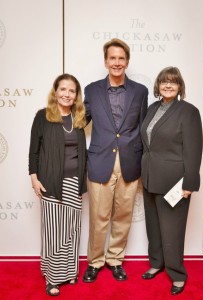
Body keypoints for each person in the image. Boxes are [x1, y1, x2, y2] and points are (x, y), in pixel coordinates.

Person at [82, 38, 148, 282]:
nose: (117, 62)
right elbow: (81, 121)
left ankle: (115, 259)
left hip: (130, 162)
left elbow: (143, 127)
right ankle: (95, 262)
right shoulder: (91, 90)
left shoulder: (140, 92)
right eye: (112, 58)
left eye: (121, 58)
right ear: (105, 61)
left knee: (123, 216)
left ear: (127, 62)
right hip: (100, 161)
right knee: (98, 217)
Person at [140, 67, 203, 295]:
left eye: (173, 82)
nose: (168, 85)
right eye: (164, 82)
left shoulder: (189, 112)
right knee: (154, 227)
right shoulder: (152, 108)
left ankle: (177, 274)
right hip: (149, 177)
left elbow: (194, 150)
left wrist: (189, 183)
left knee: (172, 230)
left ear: (179, 87)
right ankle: (157, 263)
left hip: (174, 182)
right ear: (158, 85)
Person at [28, 74, 87, 296]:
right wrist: (34, 177)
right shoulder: (42, 117)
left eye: (71, 91)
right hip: (50, 181)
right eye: (63, 89)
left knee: (71, 229)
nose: (67, 94)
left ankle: (69, 271)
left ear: (76, 95)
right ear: (55, 91)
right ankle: (52, 277)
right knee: (54, 231)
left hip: (75, 182)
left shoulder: (79, 118)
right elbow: (33, 150)